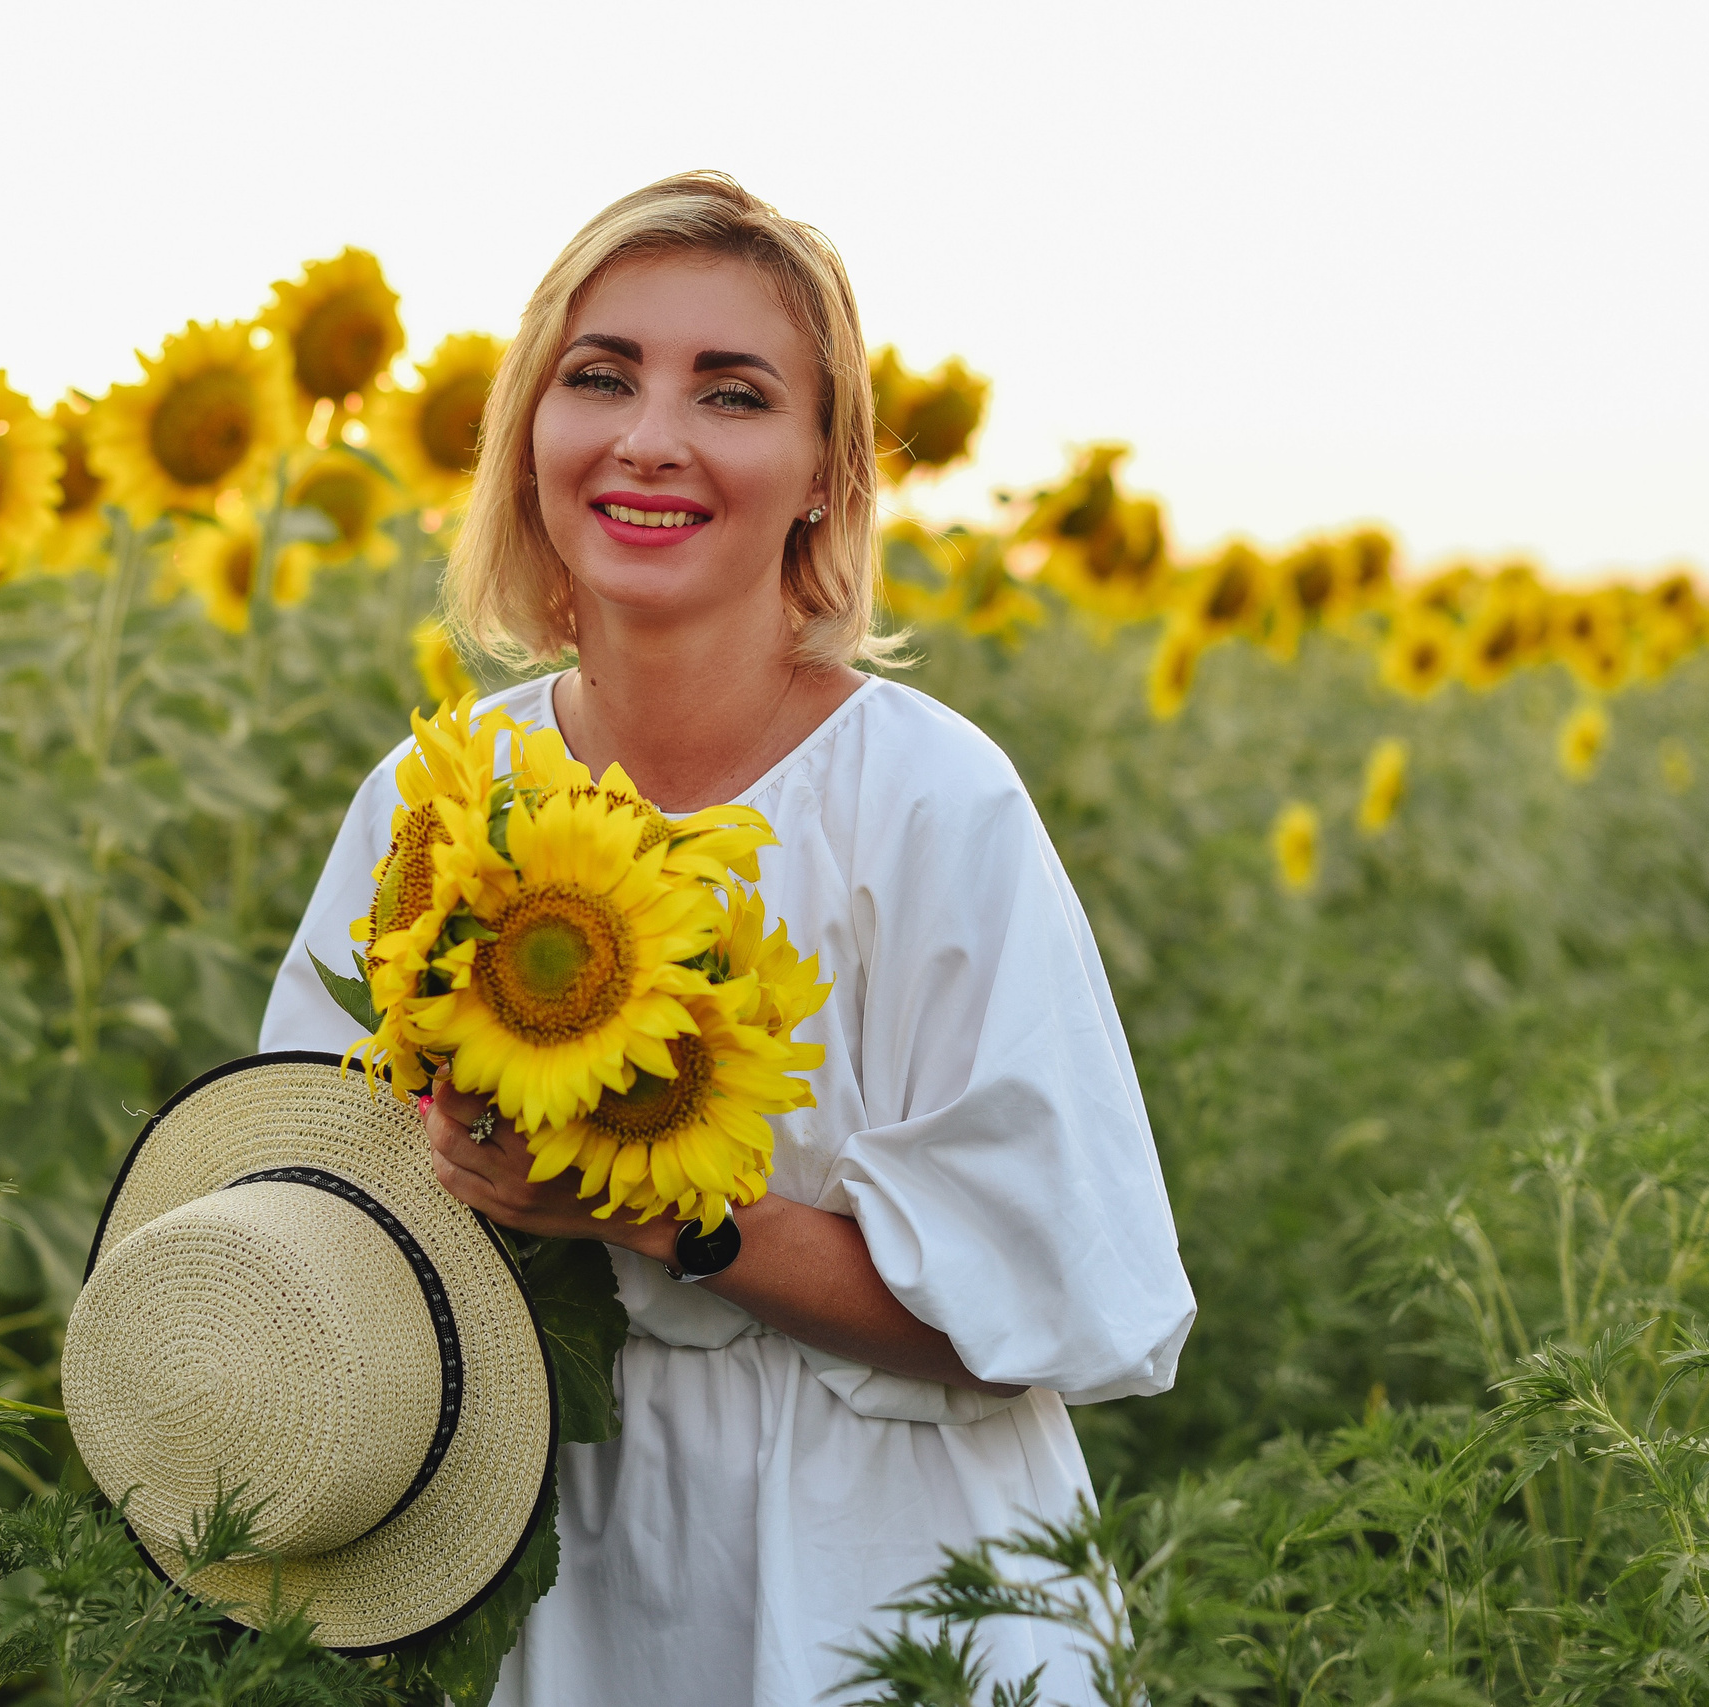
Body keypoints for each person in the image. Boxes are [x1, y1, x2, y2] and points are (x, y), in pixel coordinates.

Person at [260, 170, 1194, 1706]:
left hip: (888, 1567)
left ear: (826, 471)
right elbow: (318, 1192)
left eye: (733, 393)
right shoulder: (440, 798)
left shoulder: (929, 801)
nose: (650, 438)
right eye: (601, 375)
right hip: (547, 1558)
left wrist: (653, 1208)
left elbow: (1051, 1298)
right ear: (530, 436)